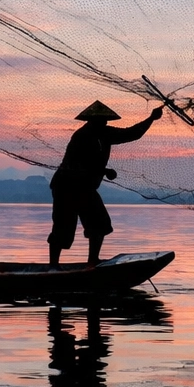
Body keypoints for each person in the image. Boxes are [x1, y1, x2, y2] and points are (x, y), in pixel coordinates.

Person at [48, 100, 163, 267]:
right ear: (92, 120)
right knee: (63, 227)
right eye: (101, 120)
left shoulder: (105, 133)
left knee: (99, 223)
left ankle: (93, 260)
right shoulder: (82, 136)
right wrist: (104, 171)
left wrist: (151, 118)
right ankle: (53, 267)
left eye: (105, 120)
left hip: (85, 188)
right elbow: (78, 163)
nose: (105, 123)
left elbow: (132, 133)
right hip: (67, 186)